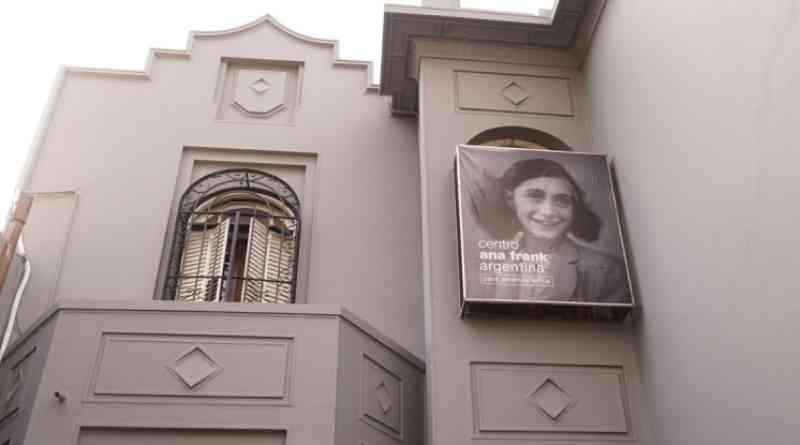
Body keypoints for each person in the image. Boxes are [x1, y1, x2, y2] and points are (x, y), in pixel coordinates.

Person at [472, 157, 629, 303]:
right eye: (535, 196)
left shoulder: (608, 272)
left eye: (562, 200)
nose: (549, 211)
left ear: (574, 209)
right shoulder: (489, 265)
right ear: (510, 200)